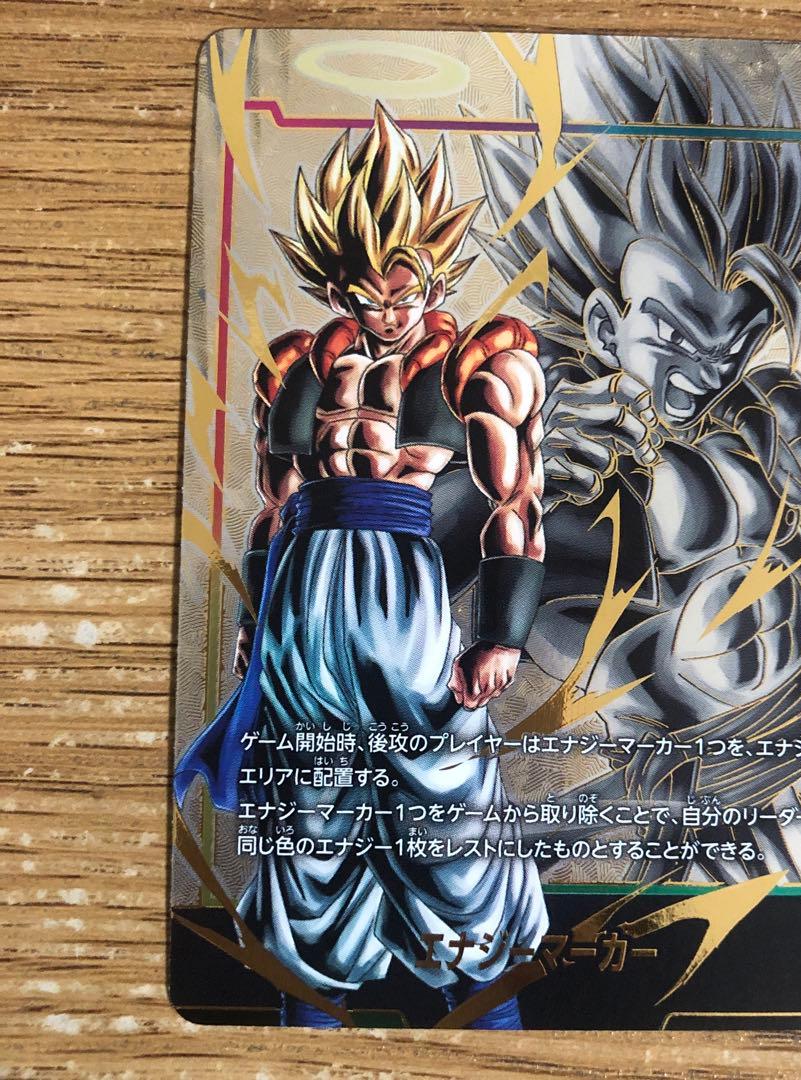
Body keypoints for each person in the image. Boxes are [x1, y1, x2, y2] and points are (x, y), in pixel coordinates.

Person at [175, 103, 549, 1028]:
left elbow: (515, 500)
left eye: (405, 285)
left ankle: (487, 1012)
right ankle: (309, 1018)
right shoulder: (298, 367)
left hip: (401, 597)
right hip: (305, 605)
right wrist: (256, 625)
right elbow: (276, 508)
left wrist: (501, 634)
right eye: (368, 291)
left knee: (443, 801)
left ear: (434, 266)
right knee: (310, 810)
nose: (389, 309)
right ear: (337, 281)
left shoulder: (476, 363)